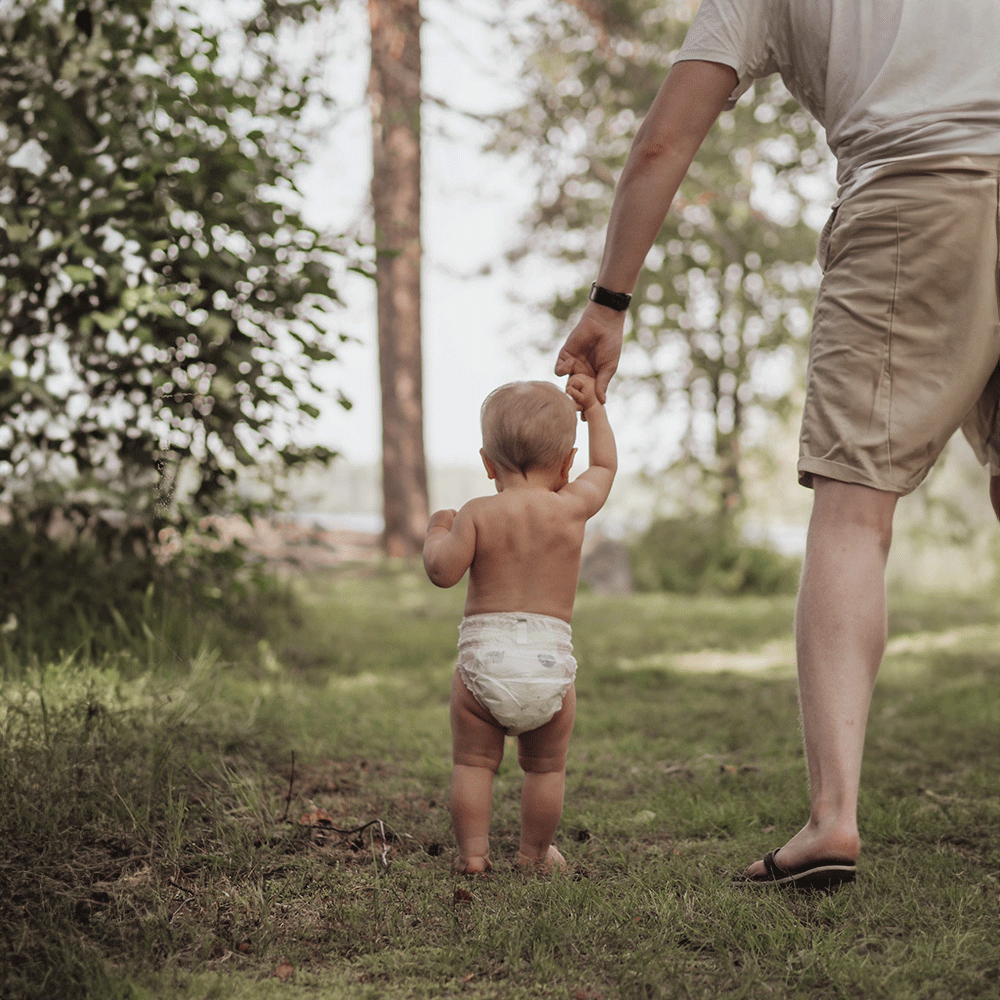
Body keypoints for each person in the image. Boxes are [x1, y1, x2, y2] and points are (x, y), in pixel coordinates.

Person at [555, 0, 1000, 889]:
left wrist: (609, 301)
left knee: (853, 515)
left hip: (912, 198)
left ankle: (834, 818)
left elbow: (662, 143)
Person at [423, 375, 617, 874]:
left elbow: (442, 572)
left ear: (488, 463)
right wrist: (593, 408)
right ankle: (534, 856)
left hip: (485, 658)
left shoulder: (477, 513)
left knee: (473, 764)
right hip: (549, 662)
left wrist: (437, 529)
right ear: (567, 463)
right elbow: (606, 465)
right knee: (546, 767)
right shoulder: (571, 507)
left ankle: (473, 855)